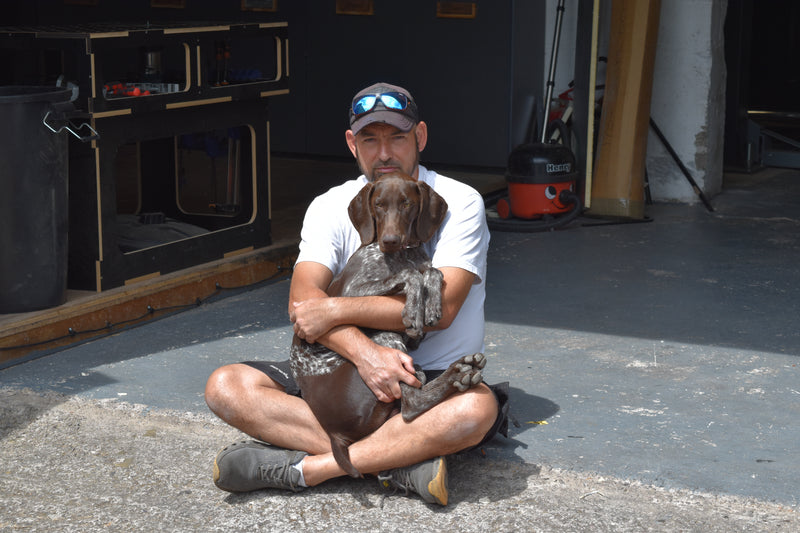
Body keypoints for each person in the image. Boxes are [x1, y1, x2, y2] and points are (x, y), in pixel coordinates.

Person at [204, 82, 508, 506]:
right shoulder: (330, 206)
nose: (384, 153)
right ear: (352, 144)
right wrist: (366, 354)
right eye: (370, 139)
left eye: (397, 137)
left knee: (476, 409)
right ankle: (400, 459)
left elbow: (441, 310)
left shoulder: (459, 201)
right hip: (341, 376)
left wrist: (333, 311)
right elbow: (302, 306)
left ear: (420, 136)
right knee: (227, 385)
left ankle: (307, 469)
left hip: (430, 377)